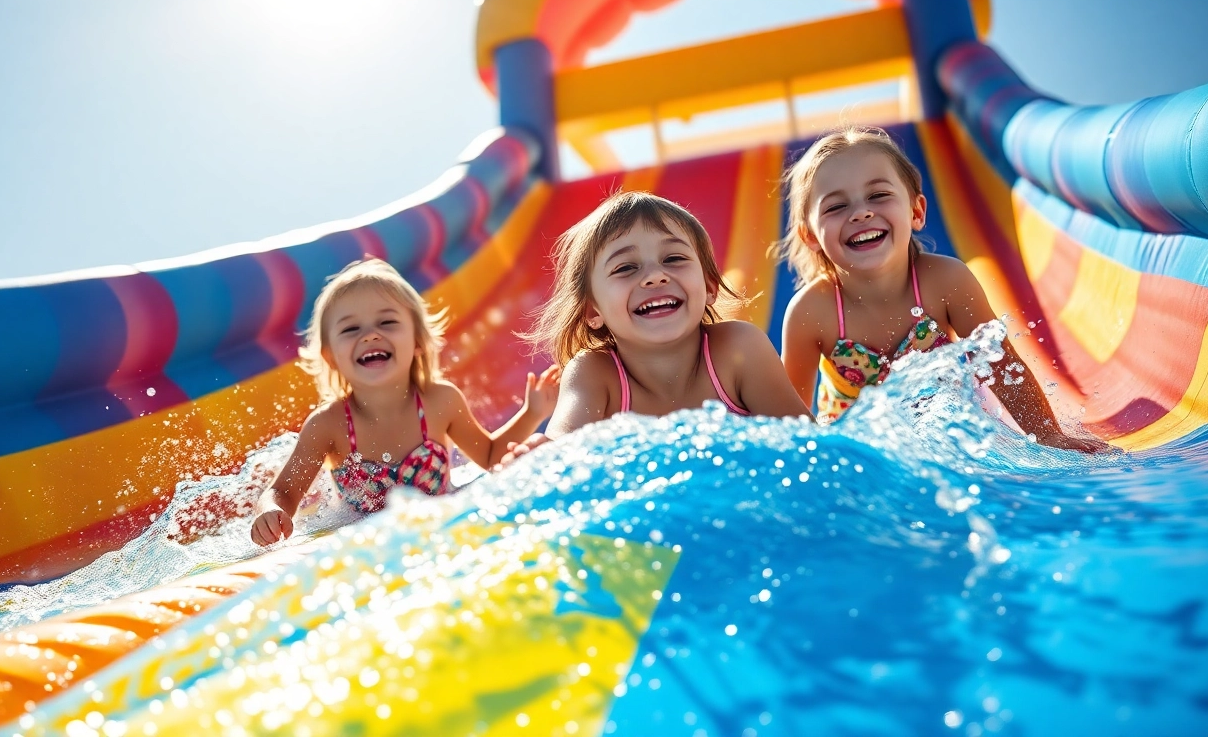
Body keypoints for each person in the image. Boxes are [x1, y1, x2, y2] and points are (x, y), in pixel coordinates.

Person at [775, 125, 1107, 452]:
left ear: (916, 212)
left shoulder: (945, 282)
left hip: (943, 436)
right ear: (811, 236)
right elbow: (788, 417)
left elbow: (1001, 362)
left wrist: (1049, 436)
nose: (861, 212)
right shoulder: (811, 312)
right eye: (835, 207)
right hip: (859, 451)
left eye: (878, 195)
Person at [251, 259, 560, 545]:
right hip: (363, 545)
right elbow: (283, 492)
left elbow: (492, 458)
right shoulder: (327, 425)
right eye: (350, 328)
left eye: (387, 323)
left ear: (416, 342)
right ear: (331, 357)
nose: (370, 335)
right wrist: (270, 511)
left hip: (439, 532)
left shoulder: (440, 401)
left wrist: (532, 413)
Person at [499, 191, 812, 464]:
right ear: (592, 311)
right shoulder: (596, 373)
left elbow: (810, 445)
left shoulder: (737, 348)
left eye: (673, 258)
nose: (654, 276)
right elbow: (563, 448)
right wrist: (539, 456)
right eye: (626, 268)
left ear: (709, 286)